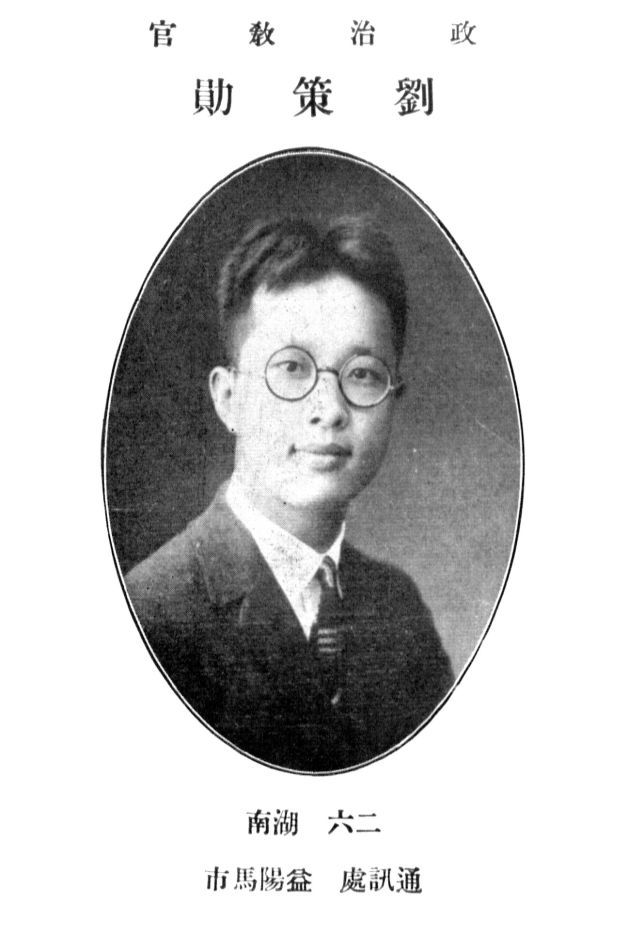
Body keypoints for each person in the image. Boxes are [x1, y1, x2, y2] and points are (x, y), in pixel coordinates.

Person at [125, 216, 453, 771]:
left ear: (394, 398)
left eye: (363, 374)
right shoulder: (152, 615)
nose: (330, 410)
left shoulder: (397, 607)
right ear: (229, 399)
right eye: (292, 368)